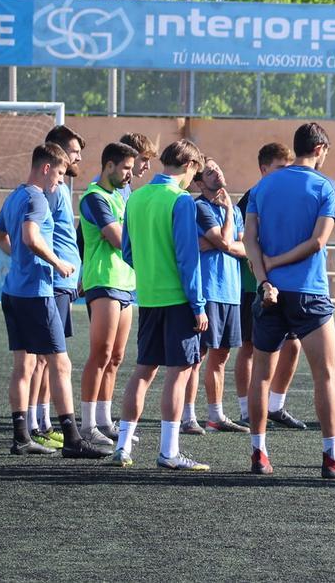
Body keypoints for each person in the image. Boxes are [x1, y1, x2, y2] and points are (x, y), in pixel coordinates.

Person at [244, 123, 335, 478]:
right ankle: (333, 458)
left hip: (268, 292)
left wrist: (265, 276)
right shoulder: (326, 186)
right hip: (309, 293)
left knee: (261, 378)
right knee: (326, 375)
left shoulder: (263, 185)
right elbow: (317, 243)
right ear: (319, 148)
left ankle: (259, 454)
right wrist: (277, 263)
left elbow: (249, 239)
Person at [0, 143, 108, 458]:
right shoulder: (37, 198)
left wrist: (17, 258)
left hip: (13, 291)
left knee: (24, 364)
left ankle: (21, 437)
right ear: (45, 168)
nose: (59, 181)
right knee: (60, 363)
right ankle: (72, 438)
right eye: (58, 174)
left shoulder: (15, 195)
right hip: (36, 293)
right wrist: (57, 263)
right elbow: (30, 237)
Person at [109, 140, 210, 470]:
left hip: (149, 298)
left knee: (143, 370)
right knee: (178, 375)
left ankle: (123, 447)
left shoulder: (135, 197)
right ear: (190, 166)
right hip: (179, 299)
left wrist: (151, 271)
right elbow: (187, 257)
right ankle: (169, 451)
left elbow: (126, 251)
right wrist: (198, 305)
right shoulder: (180, 200)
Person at [233, 143, 305, 430]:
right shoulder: (252, 197)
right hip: (255, 285)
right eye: (280, 169)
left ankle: (275, 406)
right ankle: (245, 410)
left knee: (293, 345)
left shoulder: (288, 196)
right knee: (250, 347)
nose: (286, 175)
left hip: (284, 283)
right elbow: (245, 240)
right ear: (264, 169)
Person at [29, 126, 88, 448]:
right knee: (44, 357)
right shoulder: (50, 188)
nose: (78, 158)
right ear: (58, 151)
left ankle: (41, 420)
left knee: (46, 356)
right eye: (74, 151)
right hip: (55, 281)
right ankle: (39, 423)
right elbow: (38, 231)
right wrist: (56, 267)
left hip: (63, 281)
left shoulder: (62, 186)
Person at [78, 142, 139, 444]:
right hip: (103, 281)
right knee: (100, 354)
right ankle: (87, 425)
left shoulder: (122, 195)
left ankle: (104, 420)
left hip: (126, 282)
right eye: (126, 168)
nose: (130, 174)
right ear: (110, 166)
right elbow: (117, 238)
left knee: (116, 357)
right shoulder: (94, 197)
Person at [188, 158, 250, 433]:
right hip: (209, 290)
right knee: (197, 355)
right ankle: (187, 416)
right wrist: (226, 216)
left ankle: (216, 416)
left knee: (221, 355)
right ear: (200, 183)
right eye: (210, 172)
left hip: (231, 291)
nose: (218, 173)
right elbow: (227, 241)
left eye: (218, 168)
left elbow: (245, 246)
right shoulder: (200, 207)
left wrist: (216, 243)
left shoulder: (235, 209)